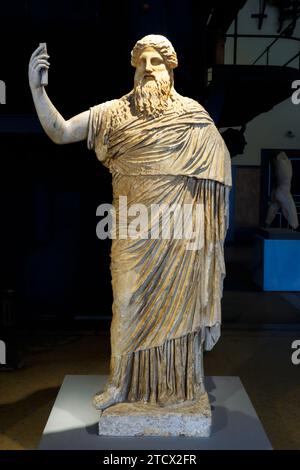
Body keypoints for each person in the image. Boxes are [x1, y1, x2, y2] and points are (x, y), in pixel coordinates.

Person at [29, 35, 231, 411]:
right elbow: (60, 132)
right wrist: (37, 89)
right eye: (142, 62)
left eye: (156, 61)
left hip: (179, 235)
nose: (148, 68)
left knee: (179, 311)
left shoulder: (193, 118)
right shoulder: (114, 113)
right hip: (132, 235)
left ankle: (184, 388)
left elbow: (217, 174)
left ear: (171, 67)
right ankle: (120, 384)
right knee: (125, 306)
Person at [265, 151, 299, 230]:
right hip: (283, 191)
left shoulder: (281, 166)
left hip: (279, 190)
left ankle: (267, 223)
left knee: (274, 206)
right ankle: (296, 227)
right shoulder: (283, 164)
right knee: (291, 209)